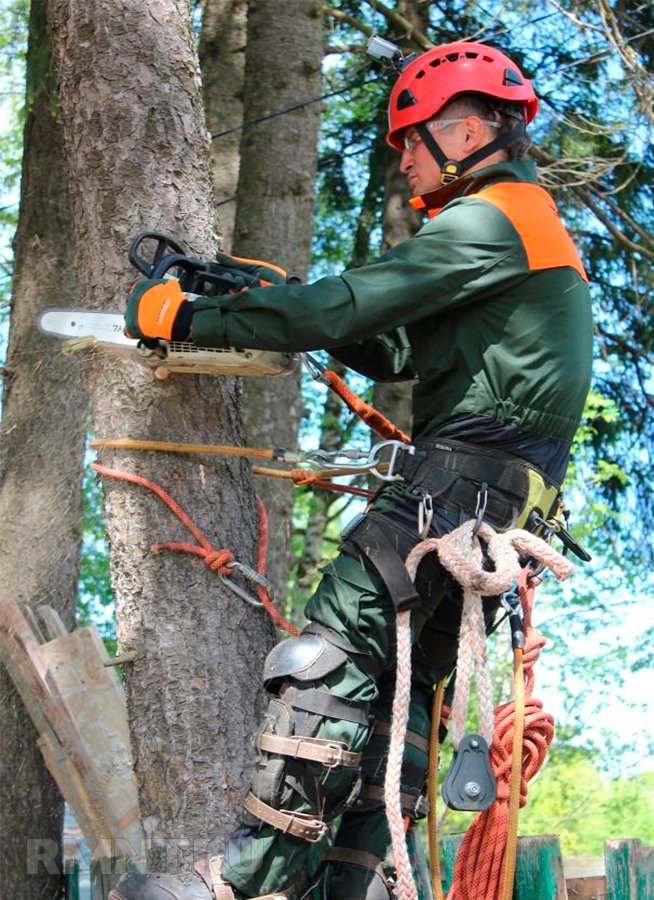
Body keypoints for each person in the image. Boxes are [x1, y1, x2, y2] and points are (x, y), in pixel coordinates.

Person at [110, 41, 592, 900]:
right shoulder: (518, 228)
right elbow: (389, 342)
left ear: (471, 128)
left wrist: (190, 316)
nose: (401, 154)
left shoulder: (495, 216)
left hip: (456, 489)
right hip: (494, 500)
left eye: (412, 136)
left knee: (328, 662)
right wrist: (275, 293)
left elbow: (346, 307)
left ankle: (248, 883)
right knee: (404, 699)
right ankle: (363, 883)